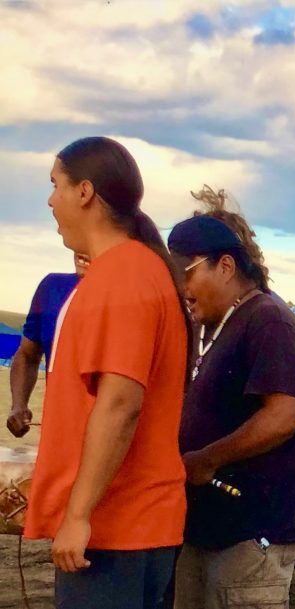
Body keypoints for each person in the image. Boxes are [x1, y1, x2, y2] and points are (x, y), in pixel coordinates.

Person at [23, 136, 190, 609]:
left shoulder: (125, 275)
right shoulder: (133, 270)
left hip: (116, 530)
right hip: (128, 527)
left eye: (55, 185)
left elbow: (120, 403)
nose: (50, 200)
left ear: (85, 192)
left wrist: (78, 515)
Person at [167, 213, 295, 609]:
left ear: (226, 265)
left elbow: (285, 415)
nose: (180, 287)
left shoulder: (269, 320)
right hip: (209, 527)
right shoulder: (213, 326)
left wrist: (207, 459)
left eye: (186, 272)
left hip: (252, 534)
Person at [6, 252, 89, 437]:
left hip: (114, 440)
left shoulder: (135, 297)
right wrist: (19, 405)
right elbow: (27, 355)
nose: (82, 249)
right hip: (58, 432)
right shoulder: (52, 288)